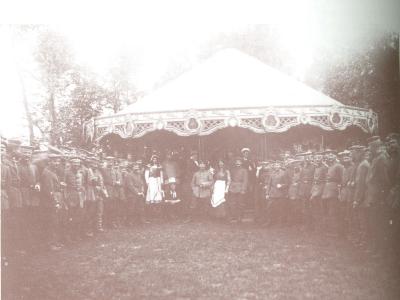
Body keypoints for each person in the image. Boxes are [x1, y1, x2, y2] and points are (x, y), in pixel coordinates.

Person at [365, 136, 391, 253]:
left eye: (370, 147)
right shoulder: (376, 159)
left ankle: (380, 250)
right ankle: (375, 248)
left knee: (378, 225)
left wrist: (381, 196)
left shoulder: (382, 159)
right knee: (373, 223)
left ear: (375, 147)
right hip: (373, 196)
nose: (369, 149)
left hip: (378, 197)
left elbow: (385, 180)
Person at [41, 154, 66, 250]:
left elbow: (54, 185)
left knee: (56, 222)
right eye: (54, 161)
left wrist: (60, 185)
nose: (57, 163)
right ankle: (51, 244)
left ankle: (55, 242)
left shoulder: (52, 172)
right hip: (51, 201)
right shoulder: (47, 173)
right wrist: (55, 202)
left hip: (57, 198)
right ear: (49, 162)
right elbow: (49, 190)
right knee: (52, 222)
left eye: (58, 161)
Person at [350, 145, 370, 246]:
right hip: (360, 196)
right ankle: (361, 239)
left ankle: (364, 241)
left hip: (363, 197)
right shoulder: (360, 164)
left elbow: (361, 184)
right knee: (359, 219)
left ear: (359, 153)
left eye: (353, 153)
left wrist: (357, 200)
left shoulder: (363, 165)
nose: (351, 156)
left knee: (362, 220)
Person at [321, 150, 344, 236]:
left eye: (331, 155)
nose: (329, 156)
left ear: (335, 156)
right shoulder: (330, 166)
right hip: (327, 191)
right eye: (328, 155)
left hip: (334, 191)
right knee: (329, 211)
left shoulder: (339, 166)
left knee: (333, 211)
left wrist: (339, 190)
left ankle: (336, 232)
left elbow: (343, 179)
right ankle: (330, 230)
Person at [64, 157, 87, 242]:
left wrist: (82, 189)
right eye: (74, 163)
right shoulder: (66, 172)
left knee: (78, 217)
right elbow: (64, 185)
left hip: (80, 197)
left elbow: (83, 183)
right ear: (71, 164)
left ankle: (76, 235)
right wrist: (66, 197)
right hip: (70, 197)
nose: (76, 165)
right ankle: (68, 237)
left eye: (78, 163)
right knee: (70, 217)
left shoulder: (81, 173)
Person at [265, 161, 290, 226]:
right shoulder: (272, 173)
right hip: (272, 193)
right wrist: (267, 193)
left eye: (278, 165)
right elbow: (269, 184)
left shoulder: (284, 173)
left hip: (280, 193)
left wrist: (281, 185)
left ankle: (280, 223)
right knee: (269, 208)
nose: (276, 166)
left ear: (280, 166)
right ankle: (269, 222)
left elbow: (287, 184)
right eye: (275, 165)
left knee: (280, 209)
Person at [306, 152, 327, 230]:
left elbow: (325, 181)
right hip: (315, 189)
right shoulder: (316, 167)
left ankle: (321, 227)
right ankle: (316, 226)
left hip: (321, 190)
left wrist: (318, 192)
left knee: (321, 209)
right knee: (314, 208)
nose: (317, 160)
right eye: (316, 158)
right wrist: (313, 191)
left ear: (322, 159)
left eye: (319, 158)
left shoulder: (325, 167)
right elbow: (314, 180)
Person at [228, 157, 249, 223]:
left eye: (239, 163)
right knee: (233, 203)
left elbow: (245, 180)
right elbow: (230, 179)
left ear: (241, 163)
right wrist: (230, 187)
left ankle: (240, 217)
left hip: (240, 188)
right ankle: (234, 216)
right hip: (233, 188)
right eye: (237, 163)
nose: (238, 164)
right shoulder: (233, 170)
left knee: (240, 203)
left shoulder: (244, 170)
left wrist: (243, 189)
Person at [145, 154, 164, 220]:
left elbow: (161, 175)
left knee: (158, 194)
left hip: (157, 180)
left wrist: (161, 182)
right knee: (151, 195)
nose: (154, 160)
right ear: (152, 160)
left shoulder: (159, 166)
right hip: (151, 181)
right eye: (153, 159)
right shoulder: (149, 166)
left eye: (156, 159)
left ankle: (158, 215)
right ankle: (151, 214)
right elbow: (146, 174)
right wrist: (147, 182)